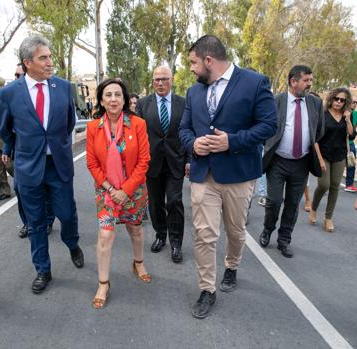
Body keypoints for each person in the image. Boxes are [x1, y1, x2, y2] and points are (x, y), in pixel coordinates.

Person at [179, 35, 277, 319]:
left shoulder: (255, 82)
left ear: (209, 60)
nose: (191, 68)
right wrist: (193, 144)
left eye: (193, 62)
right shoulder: (194, 92)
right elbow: (184, 129)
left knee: (235, 231)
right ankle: (207, 289)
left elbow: (269, 125)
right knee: (204, 234)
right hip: (203, 174)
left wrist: (232, 141)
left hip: (238, 175)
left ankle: (232, 266)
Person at [0, 34, 84, 294]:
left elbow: (69, 123)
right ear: (28, 63)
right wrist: (26, 148)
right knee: (36, 223)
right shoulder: (9, 93)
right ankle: (43, 270)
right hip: (28, 168)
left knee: (66, 214)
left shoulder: (63, 87)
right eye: (43, 58)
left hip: (58, 165)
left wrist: (53, 144)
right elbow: (4, 129)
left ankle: (73, 244)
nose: (49, 62)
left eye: (50, 57)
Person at [86, 78, 151, 309]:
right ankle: (103, 283)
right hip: (106, 192)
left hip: (133, 191)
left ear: (124, 100)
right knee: (105, 235)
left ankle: (138, 263)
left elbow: (144, 161)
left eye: (118, 95)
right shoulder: (94, 127)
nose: (113, 99)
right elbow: (92, 164)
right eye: (108, 95)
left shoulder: (138, 124)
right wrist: (112, 190)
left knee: (135, 229)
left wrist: (126, 190)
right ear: (101, 101)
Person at [259, 65, 325, 258]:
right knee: (274, 200)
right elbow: (265, 127)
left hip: (301, 163)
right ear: (293, 81)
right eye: (306, 80)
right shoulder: (277, 101)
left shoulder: (315, 104)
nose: (309, 84)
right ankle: (267, 229)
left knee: (292, 203)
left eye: (311, 80)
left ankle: (284, 239)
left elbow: (318, 131)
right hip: (278, 161)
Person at [136, 65, 188, 263]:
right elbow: (138, 136)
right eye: (157, 79)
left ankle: (176, 243)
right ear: (153, 81)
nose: (160, 83)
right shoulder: (143, 104)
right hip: (152, 163)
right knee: (155, 203)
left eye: (164, 79)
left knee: (174, 201)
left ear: (171, 80)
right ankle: (160, 235)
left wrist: (189, 159)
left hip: (176, 161)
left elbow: (188, 132)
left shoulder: (183, 103)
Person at [3, 63, 55, 238]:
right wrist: (7, 148)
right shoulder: (12, 95)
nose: (18, 78)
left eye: (20, 74)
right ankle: (28, 223)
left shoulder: (39, 92)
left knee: (45, 189)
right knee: (19, 189)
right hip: (22, 156)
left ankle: (47, 220)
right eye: (16, 75)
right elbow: (6, 129)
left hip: (44, 154)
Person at [309, 88, 356, 232]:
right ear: (331, 99)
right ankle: (314, 208)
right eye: (336, 99)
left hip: (340, 156)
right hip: (323, 155)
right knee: (324, 185)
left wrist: (348, 120)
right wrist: (320, 160)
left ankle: (328, 218)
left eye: (342, 100)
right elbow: (315, 139)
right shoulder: (322, 114)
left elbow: (352, 135)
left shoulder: (346, 116)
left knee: (335, 186)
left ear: (345, 102)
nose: (338, 102)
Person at [344, 95, 357, 192]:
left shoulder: (356, 114)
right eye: (353, 102)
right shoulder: (343, 112)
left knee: (351, 164)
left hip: (351, 143)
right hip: (341, 143)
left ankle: (349, 185)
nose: (355, 104)